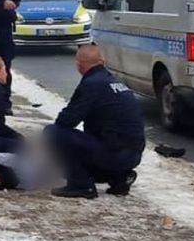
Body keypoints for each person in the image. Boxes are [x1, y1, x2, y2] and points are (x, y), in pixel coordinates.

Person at [45, 44, 145, 199]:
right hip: (133, 154)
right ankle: (119, 178)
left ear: (79, 65)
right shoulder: (115, 82)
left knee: (54, 133)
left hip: (114, 153)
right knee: (92, 144)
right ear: (102, 61)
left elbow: (66, 121)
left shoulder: (91, 84)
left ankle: (81, 185)